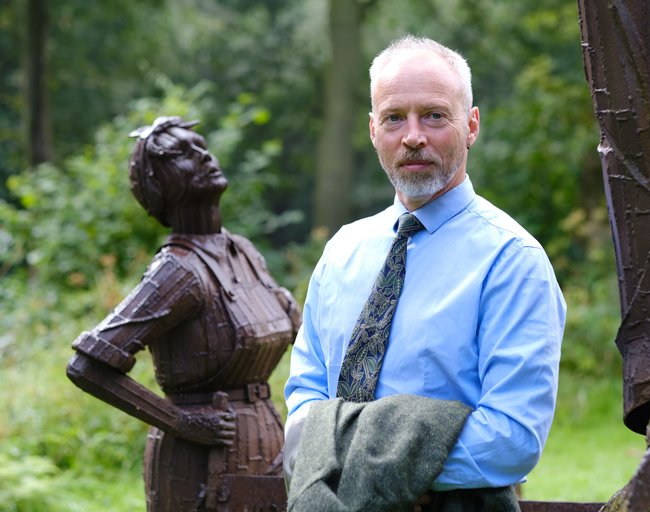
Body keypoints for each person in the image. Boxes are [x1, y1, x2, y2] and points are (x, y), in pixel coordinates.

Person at [283, 35, 566, 509]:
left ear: (471, 125)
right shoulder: (341, 252)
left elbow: (512, 438)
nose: (413, 135)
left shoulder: (513, 261)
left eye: (434, 115)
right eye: (395, 118)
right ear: (374, 130)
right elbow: (305, 395)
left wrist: (372, 469)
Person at [66, 116, 301, 511]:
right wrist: (181, 421)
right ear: (158, 185)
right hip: (201, 466)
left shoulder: (242, 252)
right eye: (181, 155)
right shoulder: (177, 272)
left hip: (265, 448)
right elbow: (87, 365)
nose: (204, 157)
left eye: (202, 147)